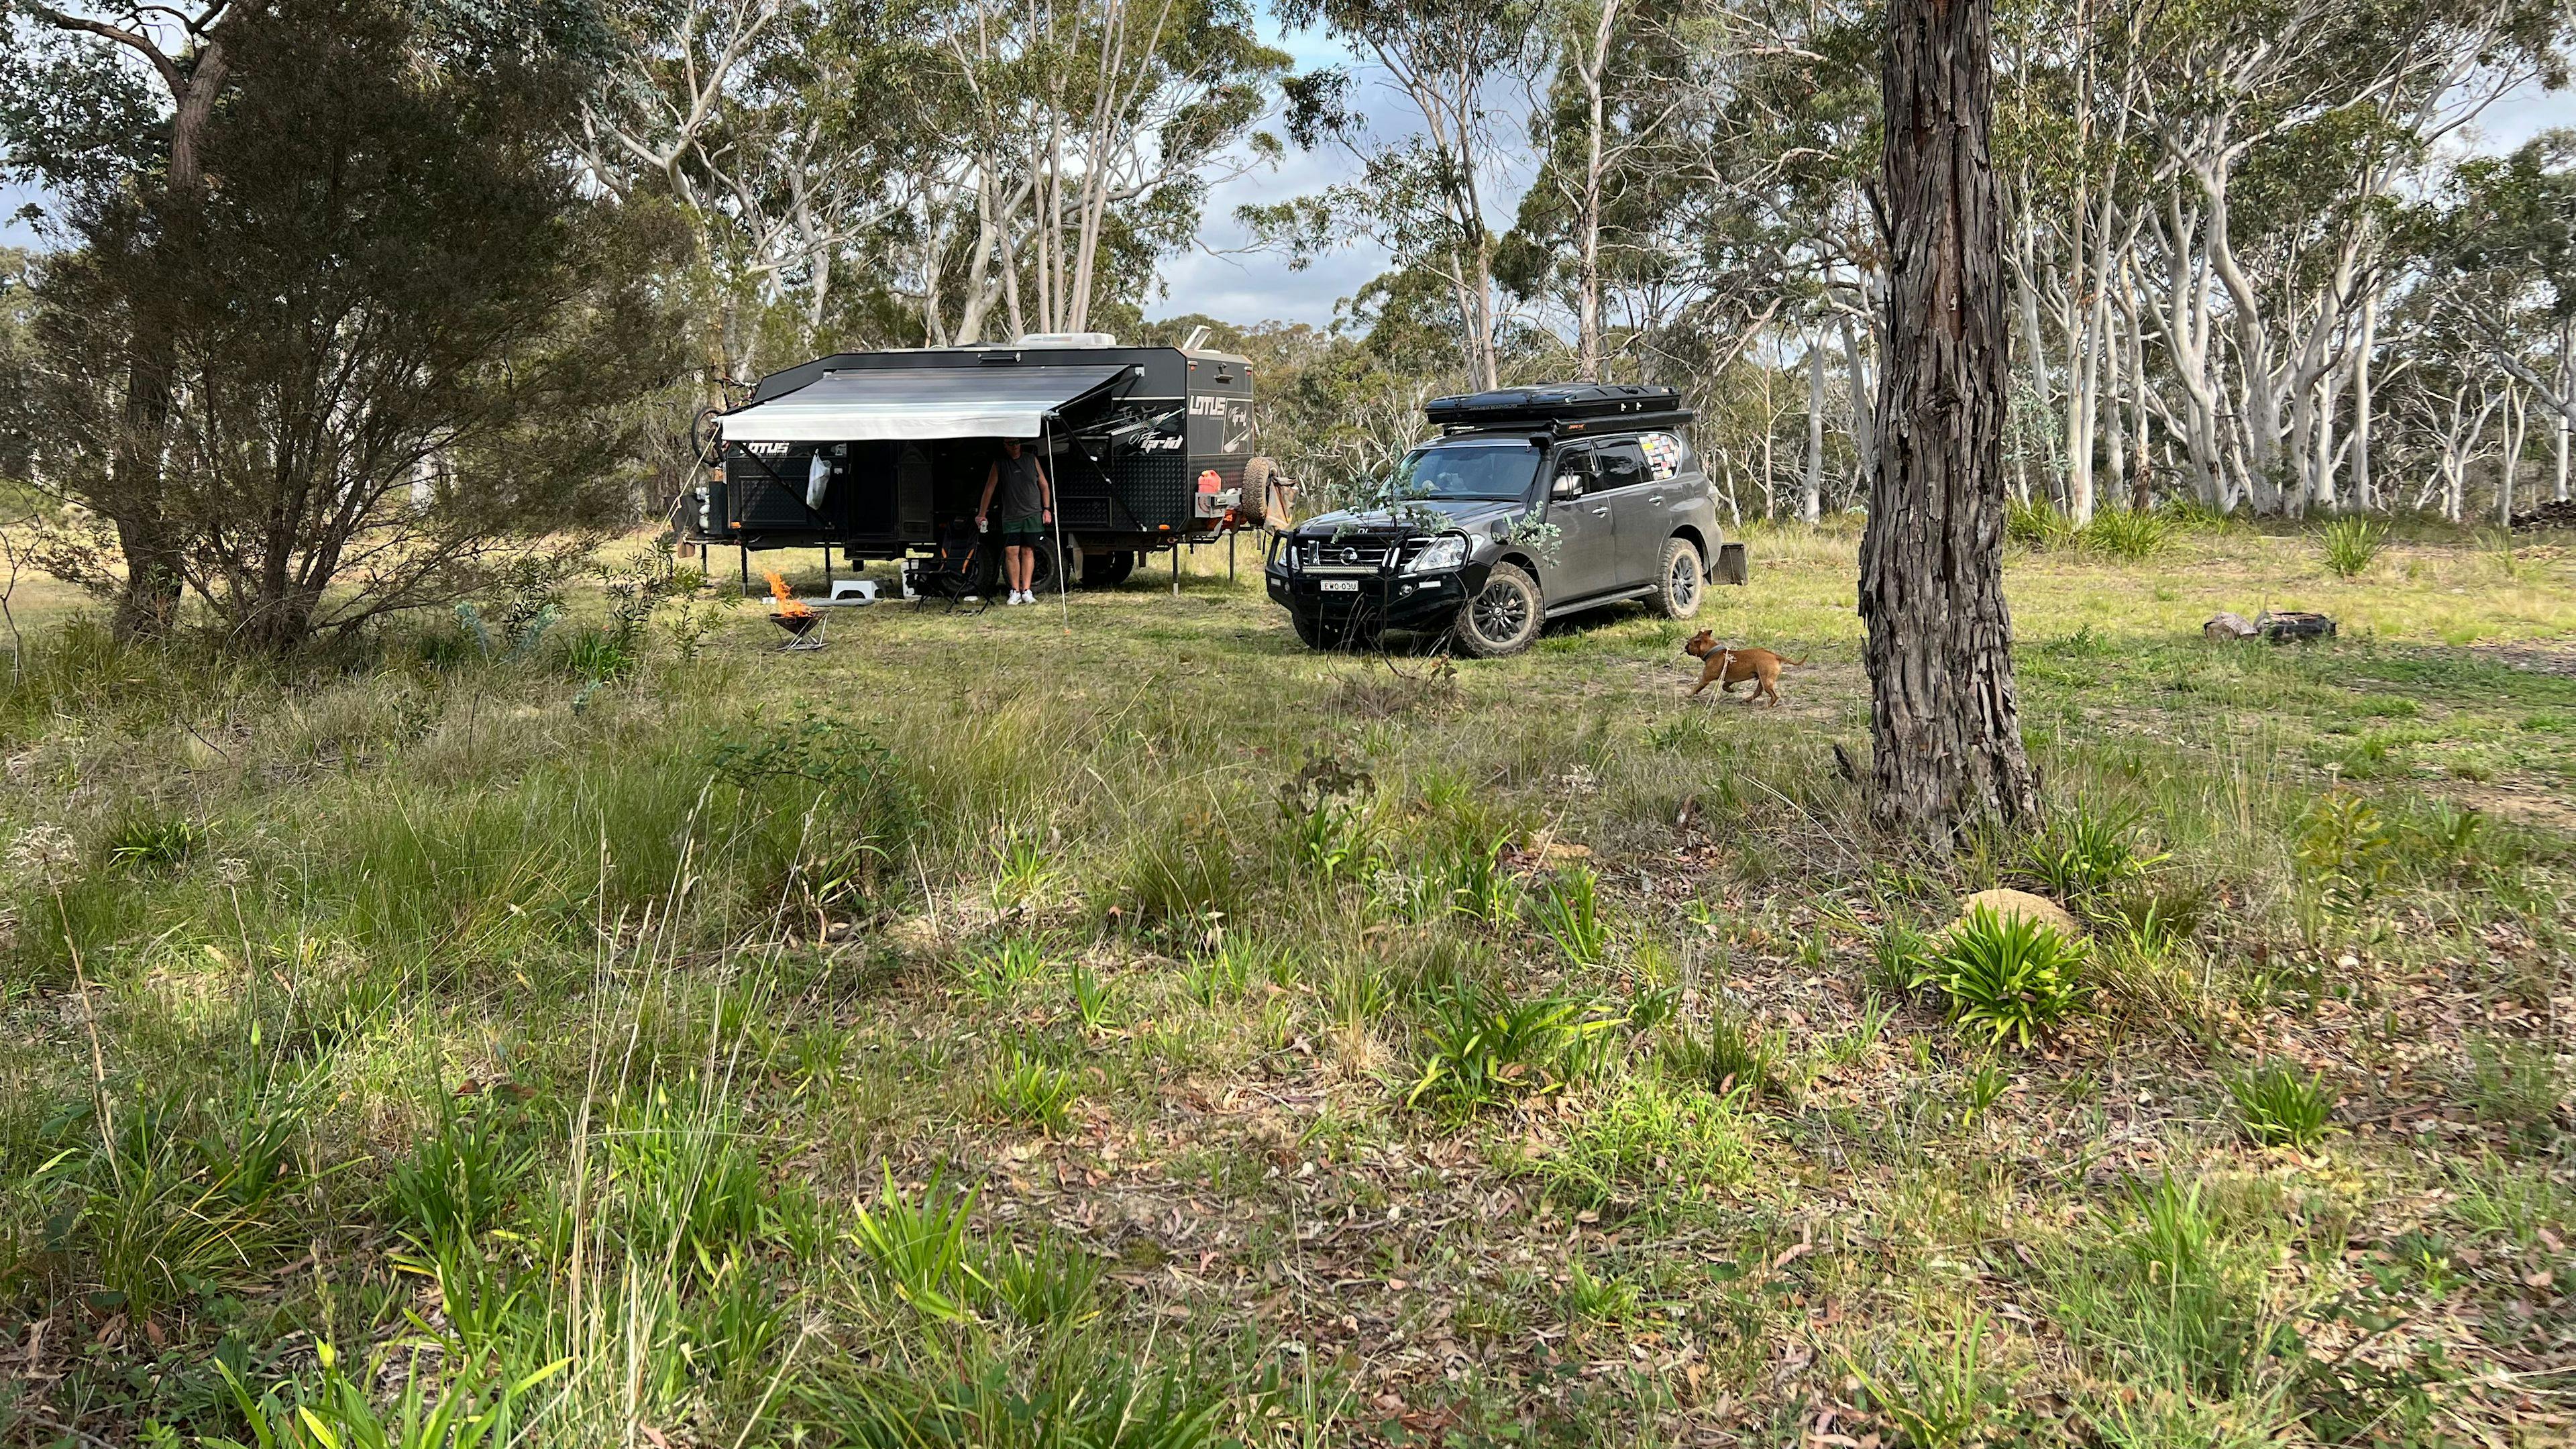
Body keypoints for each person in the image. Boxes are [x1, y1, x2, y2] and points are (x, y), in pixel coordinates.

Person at [975, 438, 1055, 605]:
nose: (1015, 446)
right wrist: (982, 514)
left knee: (1028, 551)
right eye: (1010, 443)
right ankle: (1015, 591)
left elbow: (1044, 485)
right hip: (1011, 515)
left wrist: (1047, 509)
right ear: (1005, 446)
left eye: (1017, 442)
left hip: (1033, 513)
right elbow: (989, 488)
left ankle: (1027, 590)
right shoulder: (999, 464)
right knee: (1011, 552)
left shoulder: (1031, 459)